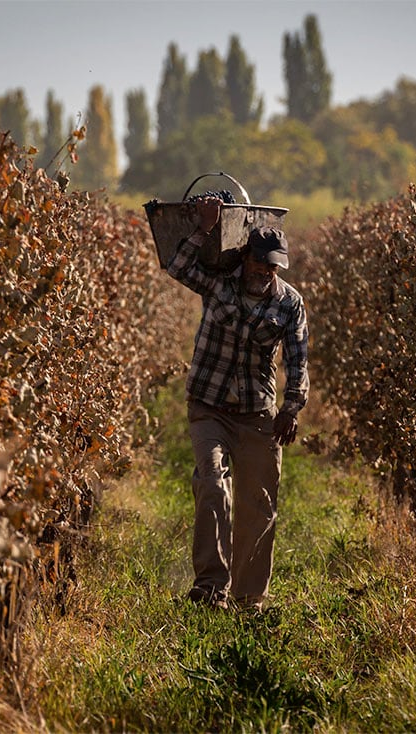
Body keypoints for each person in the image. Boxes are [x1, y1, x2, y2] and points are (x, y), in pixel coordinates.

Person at [165, 195, 309, 611]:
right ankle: (210, 588)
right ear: (245, 258)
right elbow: (177, 267)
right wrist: (205, 228)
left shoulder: (289, 303)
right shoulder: (219, 282)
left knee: (259, 504)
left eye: (273, 267)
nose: (266, 272)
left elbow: (298, 359)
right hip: (209, 405)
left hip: (257, 411)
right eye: (260, 263)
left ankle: (249, 600)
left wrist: (292, 407)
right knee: (212, 486)